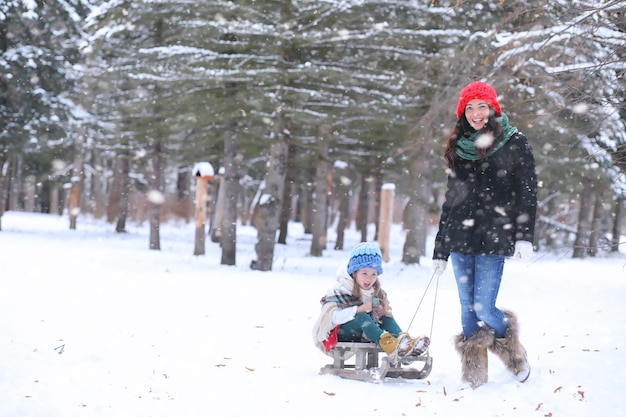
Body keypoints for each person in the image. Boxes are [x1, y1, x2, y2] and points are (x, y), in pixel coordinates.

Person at [432, 81, 537, 389]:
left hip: (495, 235)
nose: (476, 113)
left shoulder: (515, 142)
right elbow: (451, 200)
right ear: (462, 113)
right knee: (467, 308)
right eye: (469, 108)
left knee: (483, 306)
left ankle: (514, 354)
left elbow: (527, 193)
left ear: (493, 108)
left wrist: (524, 236)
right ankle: (474, 376)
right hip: (461, 239)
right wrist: (441, 250)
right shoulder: (460, 146)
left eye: (481, 106)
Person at [313, 242, 429, 361]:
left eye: (374, 274)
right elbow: (333, 318)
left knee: (386, 317)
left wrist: (381, 311)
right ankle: (390, 345)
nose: (369, 278)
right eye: (364, 273)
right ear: (354, 273)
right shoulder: (341, 290)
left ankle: (404, 344)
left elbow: (382, 315)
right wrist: (359, 309)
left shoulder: (375, 292)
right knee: (361, 316)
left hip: (365, 332)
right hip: (341, 334)